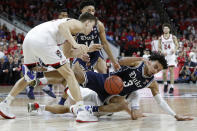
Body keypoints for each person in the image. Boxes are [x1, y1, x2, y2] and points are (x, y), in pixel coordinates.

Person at [0, 12, 99, 122]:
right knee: (69, 74)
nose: (92, 29)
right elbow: (62, 27)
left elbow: (67, 53)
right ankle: (82, 110)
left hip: (29, 40)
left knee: (29, 77)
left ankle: (5, 104)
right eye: (92, 26)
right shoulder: (78, 24)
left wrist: (87, 49)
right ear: (87, 22)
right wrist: (76, 45)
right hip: (44, 41)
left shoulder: (72, 33)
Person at [36, 52, 193, 121]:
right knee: (75, 73)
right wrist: (139, 58)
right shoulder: (138, 63)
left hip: (113, 94)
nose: (156, 70)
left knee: (122, 104)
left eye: (158, 69)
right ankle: (42, 79)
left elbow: (160, 102)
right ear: (150, 61)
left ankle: (90, 110)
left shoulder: (151, 83)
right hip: (105, 80)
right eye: (156, 65)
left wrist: (175, 115)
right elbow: (120, 61)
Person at [58, 0, 120, 105]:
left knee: (103, 71)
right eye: (88, 10)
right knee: (75, 75)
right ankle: (62, 101)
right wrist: (80, 53)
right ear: (82, 11)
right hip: (81, 53)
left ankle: (105, 100)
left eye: (93, 10)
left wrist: (114, 61)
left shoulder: (99, 25)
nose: (91, 12)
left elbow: (104, 43)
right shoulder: (75, 24)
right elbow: (69, 47)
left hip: (95, 53)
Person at [158, 23, 179, 94]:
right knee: (164, 72)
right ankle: (165, 84)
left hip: (171, 56)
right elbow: (159, 48)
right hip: (164, 56)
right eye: (164, 28)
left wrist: (175, 50)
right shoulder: (160, 38)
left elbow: (177, 45)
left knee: (171, 71)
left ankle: (172, 87)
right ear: (163, 30)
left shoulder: (173, 37)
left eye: (167, 28)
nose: (165, 29)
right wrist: (161, 52)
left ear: (169, 29)